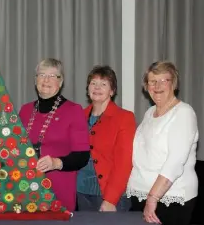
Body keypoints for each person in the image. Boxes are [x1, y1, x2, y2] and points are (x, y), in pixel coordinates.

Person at [127, 61, 198, 225]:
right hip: (141, 194)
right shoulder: (149, 113)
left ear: (173, 83)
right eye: (152, 81)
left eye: (163, 80)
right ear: (146, 86)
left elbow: (175, 162)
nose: (157, 86)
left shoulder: (184, 113)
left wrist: (152, 198)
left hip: (168, 199)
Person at [18, 58, 90, 212]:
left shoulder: (73, 110)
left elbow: (82, 155)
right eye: (42, 74)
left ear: (61, 81)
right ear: (35, 79)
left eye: (53, 76)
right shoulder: (24, 110)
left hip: (58, 189)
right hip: (25, 189)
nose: (46, 80)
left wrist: (56, 163)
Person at [77, 65, 136, 212]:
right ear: (88, 88)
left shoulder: (124, 118)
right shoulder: (78, 116)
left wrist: (111, 199)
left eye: (103, 84)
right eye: (93, 83)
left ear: (112, 91)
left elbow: (124, 163)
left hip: (109, 196)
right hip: (81, 191)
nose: (97, 87)